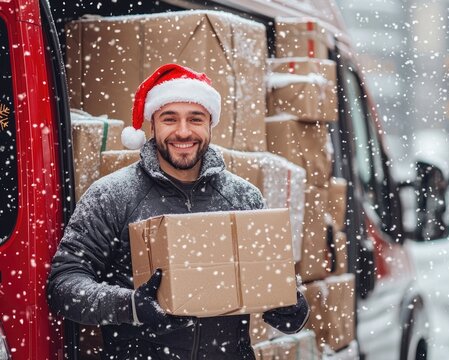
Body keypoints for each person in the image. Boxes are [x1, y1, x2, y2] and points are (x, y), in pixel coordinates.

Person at [47, 63, 309, 359]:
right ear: (152, 125)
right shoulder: (112, 195)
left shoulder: (243, 197)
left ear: (210, 123)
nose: (183, 132)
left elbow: (276, 289)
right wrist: (130, 305)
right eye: (169, 119)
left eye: (195, 119)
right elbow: (64, 285)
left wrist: (292, 308)